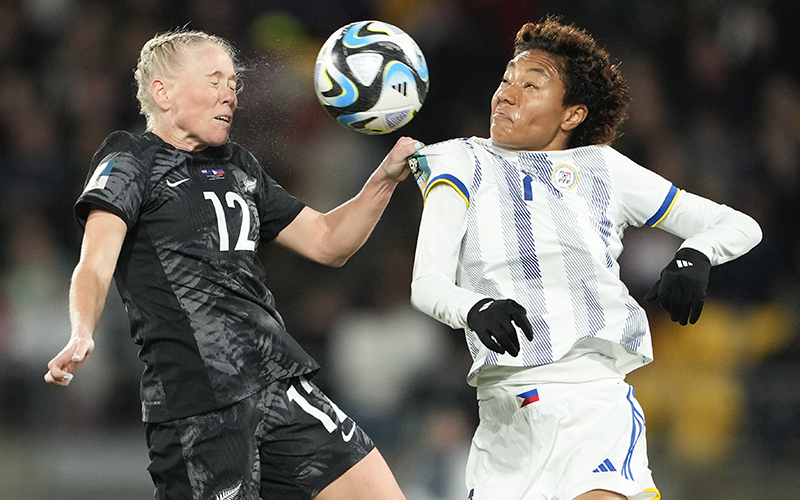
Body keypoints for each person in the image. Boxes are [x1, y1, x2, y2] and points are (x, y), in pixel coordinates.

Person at [44, 29, 421, 500]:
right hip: (199, 404)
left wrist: (383, 181)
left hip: (278, 382)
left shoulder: (239, 166)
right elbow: (95, 264)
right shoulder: (130, 160)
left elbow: (329, 242)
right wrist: (82, 330)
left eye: (234, 83)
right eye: (214, 80)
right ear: (163, 91)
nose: (231, 95)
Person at [408, 17, 762, 500]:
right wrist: (473, 307)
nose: (506, 95)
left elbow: (740, 224)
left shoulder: (602, 168)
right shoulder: (457, 162)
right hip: (503, 424)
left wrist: (695, 253)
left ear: (571, 115)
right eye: (506, 81)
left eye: (531, 85)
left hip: (592, 402)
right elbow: (426, 282)